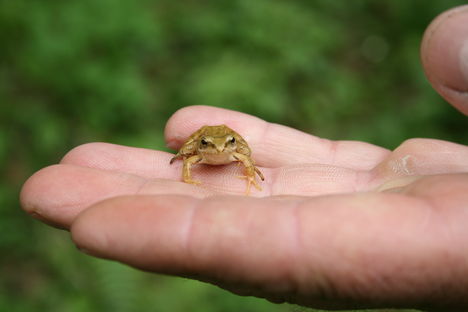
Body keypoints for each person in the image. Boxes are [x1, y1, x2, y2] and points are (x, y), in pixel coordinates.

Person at [20, 5, 468, 311]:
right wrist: (188, 168)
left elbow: (243, 151)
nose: (219, 152)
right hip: (204, 140)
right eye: (214, 148)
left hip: (232, 143)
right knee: (187, 140)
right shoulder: (204, 148)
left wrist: (248, 170)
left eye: (224, 148)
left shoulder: (234, 148)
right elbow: (194, 151)